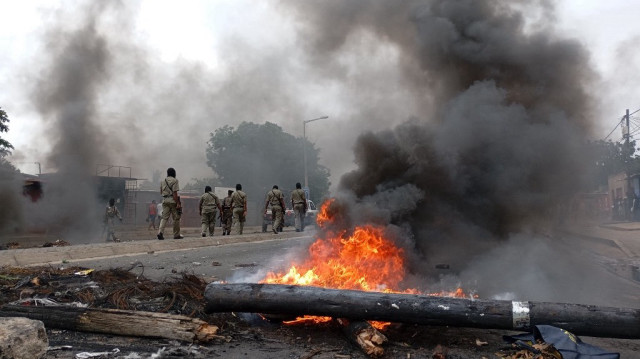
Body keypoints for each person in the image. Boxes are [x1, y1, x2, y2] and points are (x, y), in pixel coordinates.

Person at [157, 167, 183, 240]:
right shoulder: (175, 180)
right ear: (174, 173)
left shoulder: (163, 181)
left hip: (165, 200)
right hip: (172, 200)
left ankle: (160, 232)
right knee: (176, 218)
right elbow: (175, 193)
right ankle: (176, 235)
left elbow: (161, 192)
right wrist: (178, 203)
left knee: (164, 218)